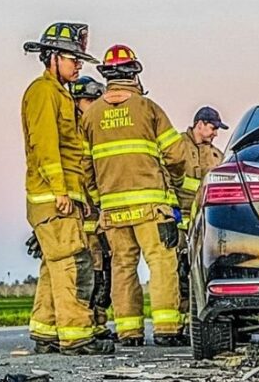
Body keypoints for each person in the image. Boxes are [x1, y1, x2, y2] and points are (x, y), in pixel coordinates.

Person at [79, 44, 189, 347]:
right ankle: (167, 329)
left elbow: (84, 167)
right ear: (134, 74)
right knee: (161, 263)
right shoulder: (148, 109)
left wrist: (98, 199)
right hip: (151, 206)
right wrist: (174, 183)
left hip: (112, 209)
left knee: (122, 266)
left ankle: (129, 332)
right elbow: (177, 155)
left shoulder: (91, 117)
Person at [20, 23, 114, 355]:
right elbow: (45, 146)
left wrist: (82, 199)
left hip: (64, 197)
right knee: (72, 263)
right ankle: (76, 337)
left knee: (54, 266)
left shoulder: (59, 92)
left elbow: (71, 153)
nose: (78, 66)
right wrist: (60, 190)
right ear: (54, 58)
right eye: (73, 59)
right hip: (52, 197)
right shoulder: (43, 92)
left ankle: (45, 333)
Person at [70, 76, 114, 340]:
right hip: (85, 212)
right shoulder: (77, 130)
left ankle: (98, 322)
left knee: (103, 268)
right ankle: (90, 323)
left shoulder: (95, 128)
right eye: (85, 101)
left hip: (98, 211)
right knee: (91, 269)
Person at [175, 106, 228, 329]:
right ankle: (177, 322)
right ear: (200, 124)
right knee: (177, 272)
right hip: (178, 219)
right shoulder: (176, 147)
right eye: (213, 128)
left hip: (204, 223)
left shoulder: (217, 156)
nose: (216, 133)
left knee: (197, 271)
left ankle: (194, 322)